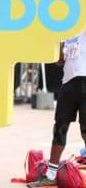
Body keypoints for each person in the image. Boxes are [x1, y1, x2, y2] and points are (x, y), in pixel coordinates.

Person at [27, 29, 86, 187]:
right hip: (68, 82)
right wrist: (59, 45)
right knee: (60, 128)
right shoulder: (64, 29)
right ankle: (51, 175)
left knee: (85, 130)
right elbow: (60, 60)